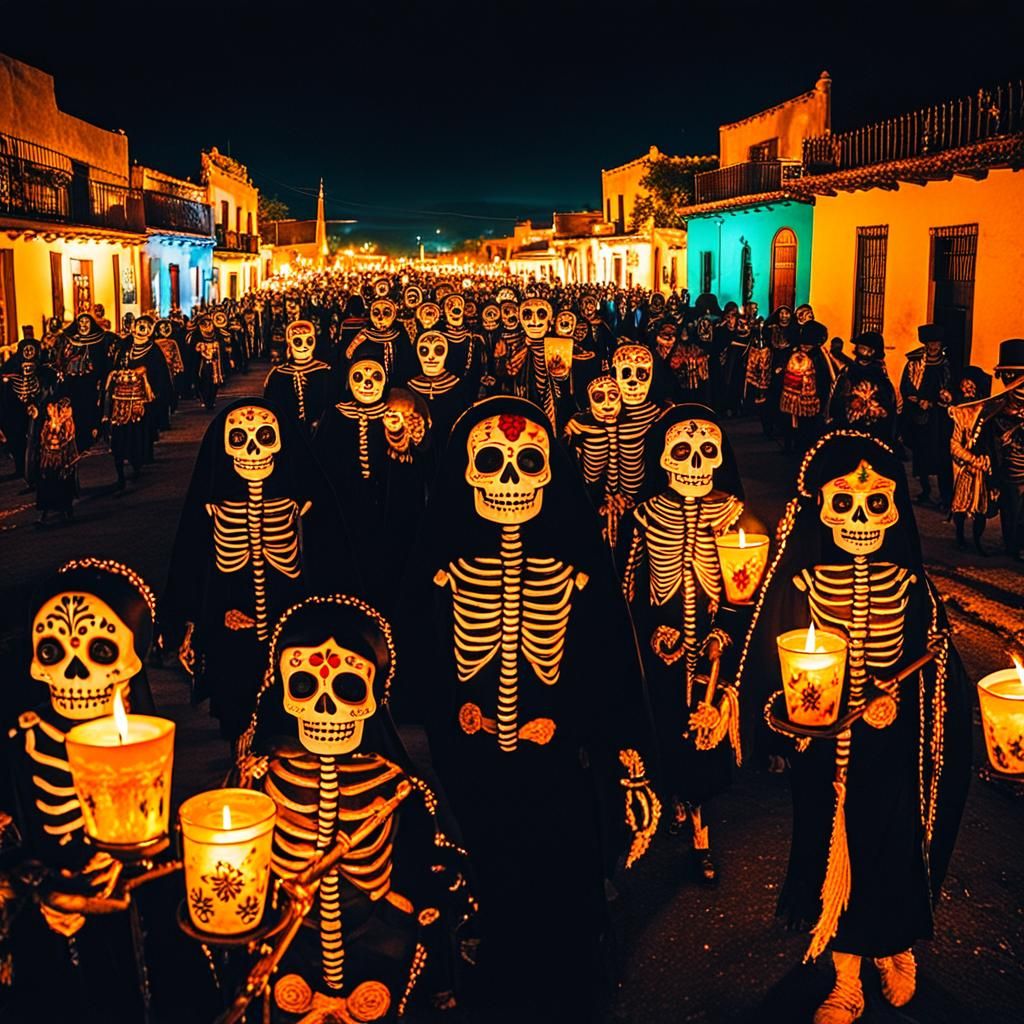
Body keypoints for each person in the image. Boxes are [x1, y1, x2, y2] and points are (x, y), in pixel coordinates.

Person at [399, 396, 660, 1022]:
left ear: (551, 472)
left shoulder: (578, 564)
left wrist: (608, 740)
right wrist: (452, 707)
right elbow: (419, 648)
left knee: (559, 854)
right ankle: (498, 957)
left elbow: (608, 656)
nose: (510, 481)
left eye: (526, 464)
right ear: (466, 473)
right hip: (473, 752)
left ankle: (567, 961)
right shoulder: (442, 563)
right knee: (486, 850)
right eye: (491, 463)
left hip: (556, 750)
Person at [737, 431, 971, 1024]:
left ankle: (895, 946)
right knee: (825, 850)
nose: (860, 518)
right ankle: (845, 976)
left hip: (889, 750)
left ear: (895, 512)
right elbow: (766, 667)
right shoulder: (798, 584)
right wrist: (777, 721)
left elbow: (940, 670)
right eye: (843, 503)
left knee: (891, 847)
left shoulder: (913, 587)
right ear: (818, 507)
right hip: (821, 752)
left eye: (876, 503)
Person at [235, 594, 475, 1023]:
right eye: (304, 685)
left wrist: (418, 896)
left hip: (377, 938)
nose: (325, 707)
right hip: (290, 939)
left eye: (348, 687)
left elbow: (435, 856)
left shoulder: (398, 786)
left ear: (374, 695)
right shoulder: (260, 776)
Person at [618, 404, 747, 883]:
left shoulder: (733, 514)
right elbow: (627, 582)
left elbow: (744, 584)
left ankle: (700, 831)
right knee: (664, 725)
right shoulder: (645, 516)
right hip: (662, 647)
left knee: (705, 732)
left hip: (711, 649)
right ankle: (666, 800)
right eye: (683, 453)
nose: (695, 464)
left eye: (706, 453)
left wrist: (722, 631)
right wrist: (649, 625)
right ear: (663, 460)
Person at [899, 324, 954, 507]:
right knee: (921, 453)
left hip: (940, 419)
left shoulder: (947, 365)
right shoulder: (914, 364)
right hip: (920, 417)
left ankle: (946, 495)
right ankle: (925, 490)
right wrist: (915, 400)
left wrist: (935, 402)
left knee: (942, 456)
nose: (933, 347)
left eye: (936, 343)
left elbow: (950, 389)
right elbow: (906, 386)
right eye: (930, 343)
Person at [948, 365, 994, 553]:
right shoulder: (958, 413)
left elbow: (991, 441)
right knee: (960, 505)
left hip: (983, 467)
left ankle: (977, 541)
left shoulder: (987, 411)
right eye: (964, 386)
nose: (967, 389)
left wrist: (987, 462)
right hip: (965, 467)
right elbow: (954, 444)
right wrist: (971, 460)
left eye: (971, 385)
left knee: (980, 508)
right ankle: (960, 536)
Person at [828, 331, 898, 442]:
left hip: (872, 430)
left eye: (864, 348)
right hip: (847, 428)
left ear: (873, 352)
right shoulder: (847, 371)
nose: (860, 351)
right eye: (859, 347)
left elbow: (887, 403)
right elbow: (836, 396)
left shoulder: (879, 374)